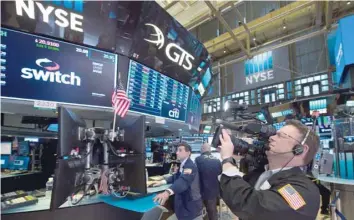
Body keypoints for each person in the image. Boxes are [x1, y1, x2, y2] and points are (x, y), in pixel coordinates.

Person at [218, 119, 321, 220]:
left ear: (300, 149)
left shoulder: (303, 191)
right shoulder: (262, 173)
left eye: (281, 136)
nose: (271, 137)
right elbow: (233, 191)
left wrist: (227, 160)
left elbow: (250, 207)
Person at [153, 142, 203, 220]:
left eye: (180, 150)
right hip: (183, 206)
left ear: (188, 152)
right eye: (177, 150)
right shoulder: (183, 164)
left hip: (190, 207)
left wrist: (167, 192)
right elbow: (176, 176)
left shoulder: (190, 166)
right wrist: (162, 182)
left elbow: (183, 181)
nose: (177, 153)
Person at [194, 143, 222, 220]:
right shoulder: (217, 160)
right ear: (209, 150)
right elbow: (220, 176)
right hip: (215, 192)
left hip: (202, 191)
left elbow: (195, 176)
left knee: (200, 212)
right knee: (212, 212)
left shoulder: (198, 159)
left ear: (202, 149)